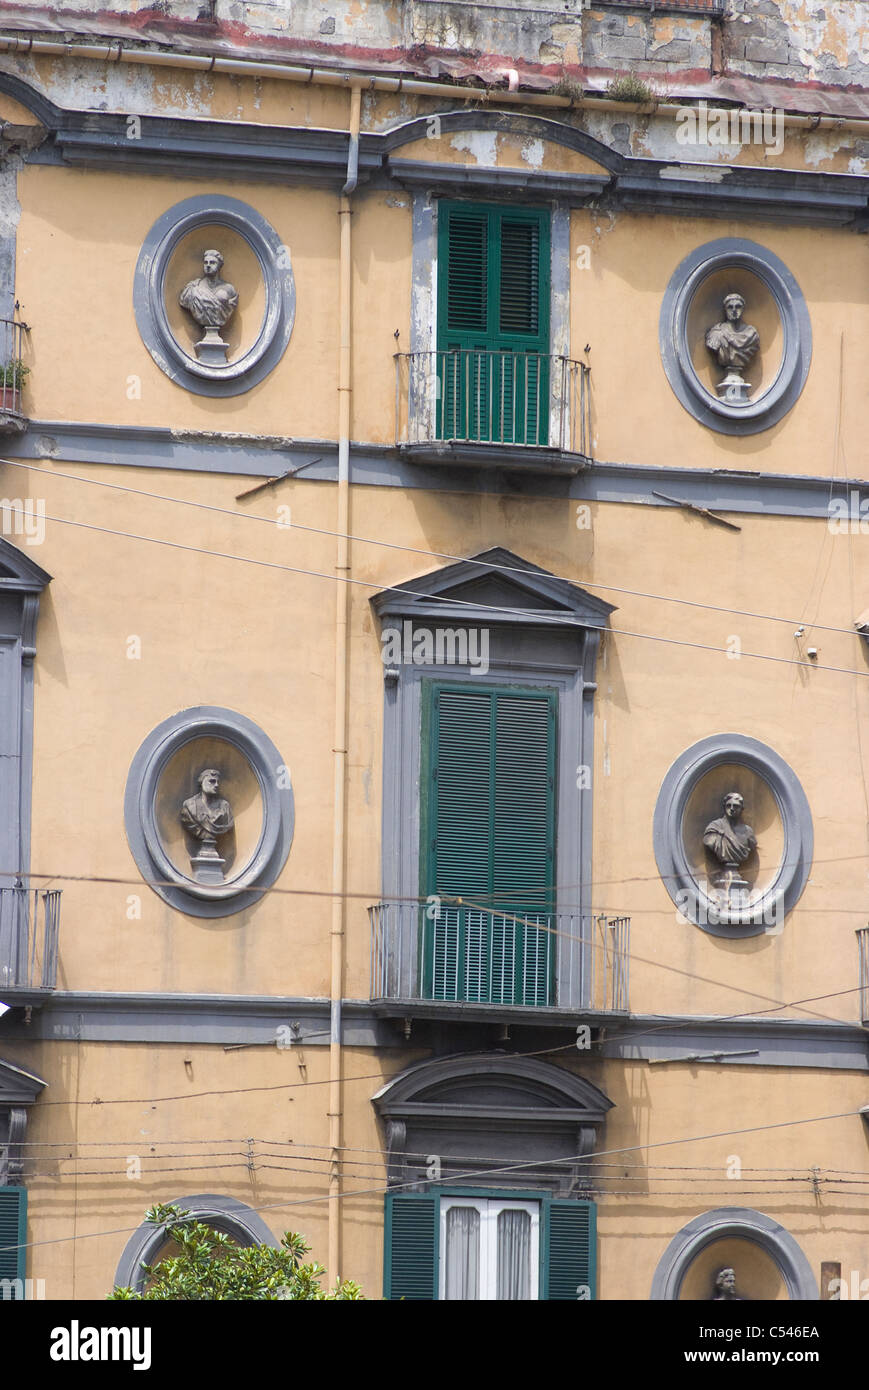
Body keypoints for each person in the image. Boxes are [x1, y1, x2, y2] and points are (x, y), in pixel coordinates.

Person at [179, 250, 239, 331]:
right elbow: (184, 301)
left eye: (212, 262)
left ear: (219, 266)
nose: (208, 265)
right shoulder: (193, 287)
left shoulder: (229, 289)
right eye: (205, 262)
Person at [705, 293, 760, 373]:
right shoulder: (716, 333)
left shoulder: (752, 334)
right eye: (730, 307)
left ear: (743, 309)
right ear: (725, 310)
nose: (734, 310)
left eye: (738, 306)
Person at [703, 792, 757, 870]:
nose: (731, 809)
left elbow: (753, 845)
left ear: (742, 809)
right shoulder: (714, 827)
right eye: (728, 805)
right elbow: (708, 842)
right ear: (724, 807)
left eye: (736, 806)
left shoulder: (748, 832)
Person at [180, 769, 234, 843]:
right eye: (212, 781)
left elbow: (229, 824)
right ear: (201, 783)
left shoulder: (225, 806)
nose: (216, 785)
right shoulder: (189, 806)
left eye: (218, 782)